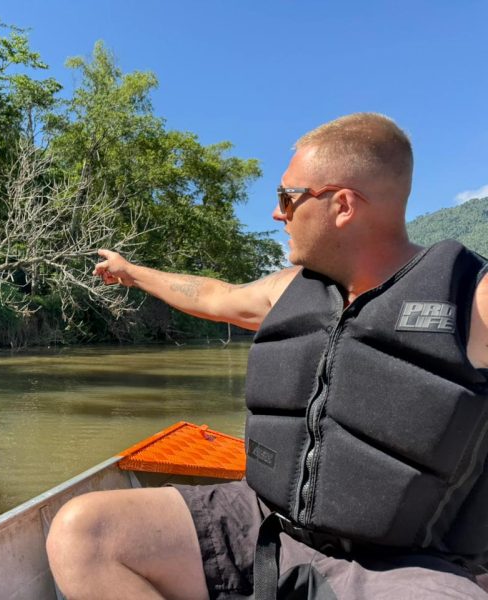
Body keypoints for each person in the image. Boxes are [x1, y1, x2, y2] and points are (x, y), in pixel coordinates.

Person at [45, 113, 488, 600]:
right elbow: (211, 296)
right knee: (83, 533)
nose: (278, 214)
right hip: (264, 522)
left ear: (343, 205)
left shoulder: (473, 298)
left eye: (287, 198)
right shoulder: (287, 292)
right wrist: (131, 272)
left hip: (404, 568)